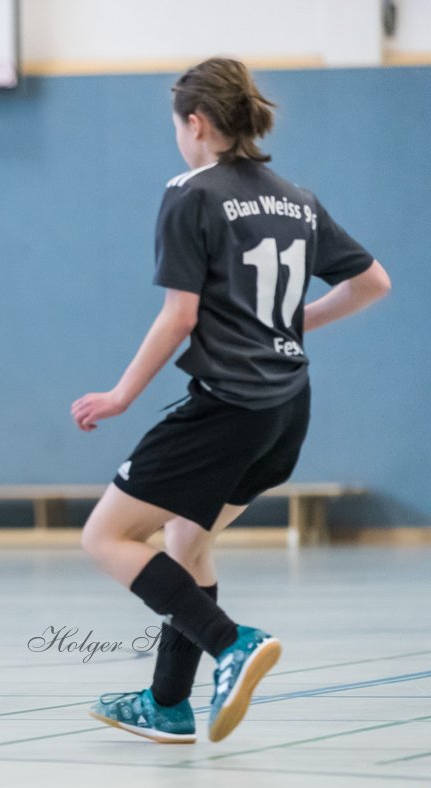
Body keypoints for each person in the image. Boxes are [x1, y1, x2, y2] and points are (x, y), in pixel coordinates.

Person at [72, 58, 391, 743]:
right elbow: (373, 283)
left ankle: (231, 643)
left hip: (225, 406)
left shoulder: (191, 191)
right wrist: (291, 324)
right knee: (188, 537)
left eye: (178, 127)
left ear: (196, 122)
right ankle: (167, 702)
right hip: (287, 410)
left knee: (105, 535)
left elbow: (179, 316)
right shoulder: (295, 198)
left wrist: (122, 394)